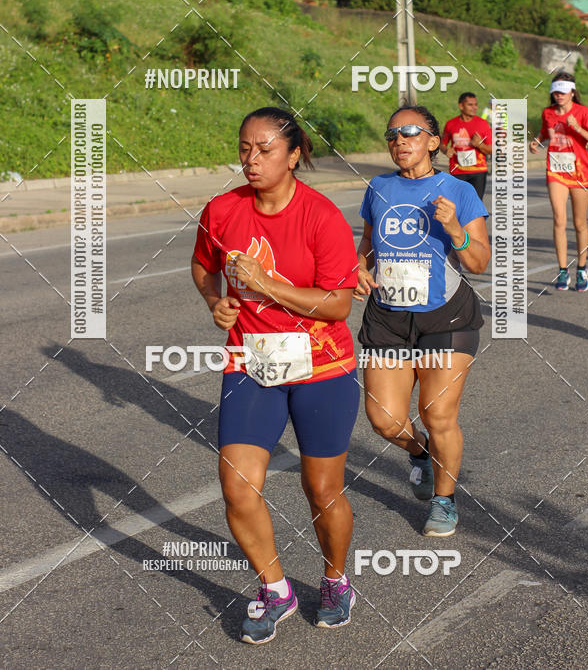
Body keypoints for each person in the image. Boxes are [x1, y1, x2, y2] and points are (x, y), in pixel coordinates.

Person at [191, 107, 359, 645]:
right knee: (238, 489)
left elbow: (338, 305)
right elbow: (202, 264)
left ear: (293, 155)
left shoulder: (321, 216)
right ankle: (276, 589)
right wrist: (216, 301)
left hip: (322, 367)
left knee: (322, 490)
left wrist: (265, 285)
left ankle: (335, 580)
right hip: (251, 362)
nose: (252, 159)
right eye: (244, 148)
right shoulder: (221, 210)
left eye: (265, 149)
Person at [354, 104, 490, 537]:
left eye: (411, 133)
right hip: (389, 316)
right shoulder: (378, 188)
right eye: (392, 134)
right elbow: (367, 243)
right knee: (384, 419)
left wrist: (455, 229)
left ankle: (445, 501)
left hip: (446, 316)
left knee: (437, 414)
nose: (400, 141)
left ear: (433, 141)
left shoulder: (459, 191)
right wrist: (359, 267)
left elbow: (480, 261)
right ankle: (421, 456)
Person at [529, 72, 588, 291]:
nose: (559, 95)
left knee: (579, 223)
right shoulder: (548, 113)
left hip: (581, 173)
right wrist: (537, 142)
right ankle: (562, 270)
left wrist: (577, 127)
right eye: (555, 92)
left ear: (572, 92)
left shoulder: (583, 112)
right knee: (559, 219)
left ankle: (581, 268)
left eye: (563, 91)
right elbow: (544, 131)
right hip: (556, 171)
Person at [440, 92, 493, 199]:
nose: (475, 108)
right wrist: (446, 151)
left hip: (478, 171)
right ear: (461, 106)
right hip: (457, 170)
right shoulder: (451, 124)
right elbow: (442, 143)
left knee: (475, 204)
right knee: (458, 204)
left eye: (476, 104)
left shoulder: (483, 124)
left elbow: (491, 149)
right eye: (470, 105)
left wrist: (479, 145)